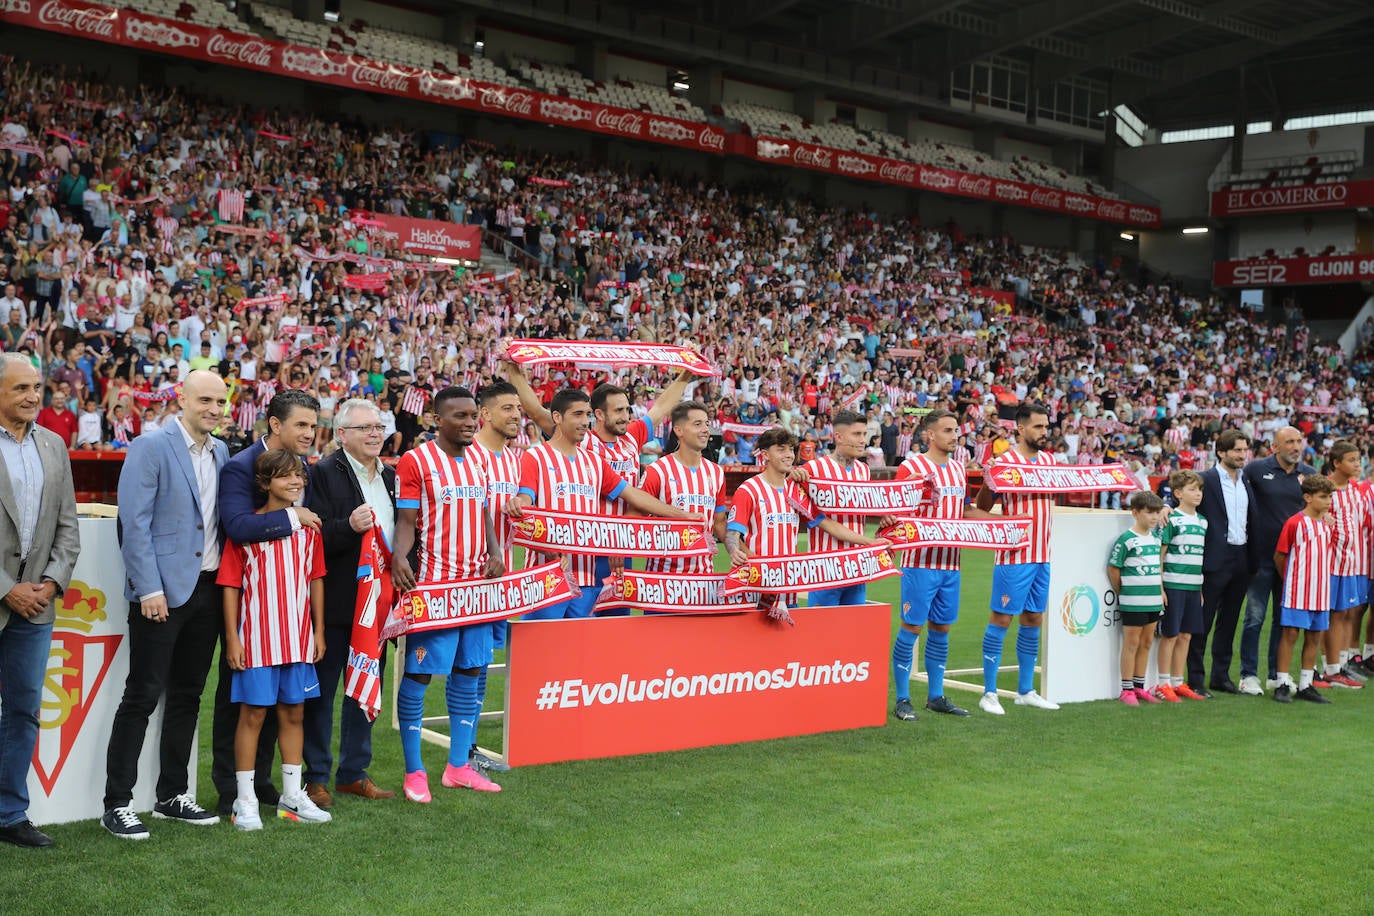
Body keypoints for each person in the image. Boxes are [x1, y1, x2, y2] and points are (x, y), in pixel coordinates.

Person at [101, 370, 230, 840]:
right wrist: (148, 588)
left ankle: (172, 794)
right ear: (182, 398)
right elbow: (132, 524)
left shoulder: (221, 451)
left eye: (221, 401)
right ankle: (116, 802)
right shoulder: (150, 446)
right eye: (206, 400)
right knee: (142, 695)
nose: (215, 409)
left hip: (209, 591)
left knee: (187, 696)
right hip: (160, 595)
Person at [210, 389, 322, 816]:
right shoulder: (242, 467)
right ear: (275, 425)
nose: (310, 433)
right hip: (250, 609)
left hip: (290, 617)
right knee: (240, 704)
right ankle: (232, 791)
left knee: (286, 706)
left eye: (313, 426)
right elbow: (238, 527)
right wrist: (294, 517)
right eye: (301, 425)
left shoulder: (301, 468)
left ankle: (267, 785)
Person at [391, 387, 505, 802]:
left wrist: (495, 553)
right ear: (438, 419)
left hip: (476, 589)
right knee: (419, 675)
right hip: (434, 589)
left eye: (473, 415)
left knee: (470, 673)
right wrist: (399, 557)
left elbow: (485, 516)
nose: (470, 422)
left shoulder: (481, 460)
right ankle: (414, 771)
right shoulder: (416, 460)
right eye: (459, 416)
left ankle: (457, 767)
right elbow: (406, 519)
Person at [509, 365, 694, 615]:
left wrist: (686, 375)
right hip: (588, 547)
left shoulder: (630, 437)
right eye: (618, 411)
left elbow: (661, 407)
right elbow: (537, 411)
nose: (626, 417)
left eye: (628, 410)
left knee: (609, 626)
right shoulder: (582, 442)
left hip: (621, 544)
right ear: (600, 414)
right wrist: (515, 372)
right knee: (559, 629)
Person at [301, 398, 399, 809]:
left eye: (378, 427)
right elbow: (309, 535)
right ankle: (316, 777)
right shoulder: (321, 473)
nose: (375, 434)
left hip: (378, 608)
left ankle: (354, 773)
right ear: (342, 434)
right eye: (365, 428)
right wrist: (346, 527)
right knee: (322, 695)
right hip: (337, 604)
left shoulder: (391, 477)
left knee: (364, 692)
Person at [0, 354, 80, 849]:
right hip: (9, 594)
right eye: (21, 389)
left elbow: (67, 527)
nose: (33, 396)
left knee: (25, 711)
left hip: (37, 606)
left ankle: (10, 814)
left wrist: (49, 583)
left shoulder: (53, 445)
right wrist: (5, 587)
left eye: (37, 387)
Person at [725, 427, 888, 619]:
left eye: (791, 449)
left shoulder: (796, 492)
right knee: (754, 645)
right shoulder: (749, 490)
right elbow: (732, 535)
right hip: (757, 585)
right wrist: (740, 553)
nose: (788, 455)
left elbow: (828, 525)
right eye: (781, 449)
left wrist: (869, 542)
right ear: (765, 455)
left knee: (790, 645)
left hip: (789, 585)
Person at [891, 409, 984, 720]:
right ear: (929, 435)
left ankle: (935, 696)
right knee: (913, 626)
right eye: (947, 430)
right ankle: (902, 699)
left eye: (956, 430)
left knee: (942, 628)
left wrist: (1006, 523)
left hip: (951, 564)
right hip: (919, 563)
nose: (954, 435)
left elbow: (967, 511)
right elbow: (896, 510)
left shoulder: (959, 469)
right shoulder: (912, 467)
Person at [973, 403, 1060, 714]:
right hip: (1014, 554)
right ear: (1021, 429)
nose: (1043, 432)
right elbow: (982, 506)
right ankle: (989, 693)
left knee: (1034, 618)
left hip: (1043, 555)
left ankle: (1025, 690)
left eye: (1045, 427)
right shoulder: (1005, 461)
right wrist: (989, 480)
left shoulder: (1051, 461)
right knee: (1002, 618)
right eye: (1038, 427)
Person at [465, 380, 527, 775]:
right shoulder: (471, 455)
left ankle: (468, 747)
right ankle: (464, 750)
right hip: (470, 578)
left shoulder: (513, 459)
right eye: (508, 408)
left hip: (502, 581)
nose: (516, 415)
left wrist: (522, 503)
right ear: (485, 414)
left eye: (518, 408)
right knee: (467, 665)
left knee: (483, 662)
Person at [1241, 426, 1313, 696]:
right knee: (1254, 617)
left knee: (1284, 620)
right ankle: (1248, 675)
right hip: (1261, 557)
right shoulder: (1256, 470)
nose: (1296, 446)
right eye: (1289, 442)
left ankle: (1276, 675)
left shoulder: (1308, 474)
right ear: (1275, 446)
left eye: (1298, 441)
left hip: (1294, 561)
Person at [1189, 430, 1251, 697]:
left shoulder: (1247, 480)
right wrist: (1167, 508)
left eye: (1244, 450)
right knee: (1203, 620)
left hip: (1242, 556)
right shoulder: (1205, 479)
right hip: (1214, 557)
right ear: (1221, 452)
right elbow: (1181, 501)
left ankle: (1221, 676)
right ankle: (1195, 679)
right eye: (1237, 450)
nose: (1242, 455)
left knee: (1229, 621)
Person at [639, 400, 729, 576]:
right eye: (697, 424)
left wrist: (736, 550)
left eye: (707, 424)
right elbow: (635, 516)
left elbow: (719, 522)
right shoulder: (659, 470)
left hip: (704, 578)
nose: (705, 430)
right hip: (663, 578)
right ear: (678, 430)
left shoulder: (716, 472)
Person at [1271, 474, 1337, 704]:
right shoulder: (1295, 523)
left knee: (1315, 636)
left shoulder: (1329, 524)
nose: (1328, 501)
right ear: (1308, 497)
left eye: (1330, 496)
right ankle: (1281, 683)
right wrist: (1290, 579)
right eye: (1323, 497)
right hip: (1298, 590)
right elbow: (1280, 555)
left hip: (1321, 591)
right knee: (1290, 634)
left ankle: (1306, 684)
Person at [798, 409, 872, 608]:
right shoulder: (812, 469)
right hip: (825, 566)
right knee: (821, 632)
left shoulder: (863, 470)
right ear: (838, 437)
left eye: (864, 434)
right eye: (856, 434)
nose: (863, 440)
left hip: (857, 565)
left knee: (853, 631)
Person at [1108, 492, 1166, 706]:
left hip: (1153, 600)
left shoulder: (1156, 538)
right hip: (1133, 601)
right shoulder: (1126, 540)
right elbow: (1113, 568)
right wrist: (1123, 590)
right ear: (1135, 513)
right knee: (1131, 643)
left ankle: (1140, 687)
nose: (1154, 517)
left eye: (1157, 513)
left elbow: (1158, 568)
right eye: (1149, 512)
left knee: (1147, 642)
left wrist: (1159, 591)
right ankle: (1126, 690)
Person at [1156, 470, 1208, 702]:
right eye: (1192, 489)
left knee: (1186, 635)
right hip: (1174, 585)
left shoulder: (1203, 522)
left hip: (1193, 587)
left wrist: (1200, 589)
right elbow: (1160, 554)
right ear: (1178, 493)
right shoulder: (1171, 519)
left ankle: (1178, 682)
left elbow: (1200, 558)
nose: (1197, 494)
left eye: (1199, 489)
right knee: (1170, 634)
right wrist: (1160, 586)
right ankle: (1162, 682)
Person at [1320, 440, 1369, 688]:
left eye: (1358, 460)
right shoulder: (1325, 489)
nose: (1357, 464)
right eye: (1351, 460)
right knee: (1327, 617)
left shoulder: (1356, 491)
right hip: (1329, 563)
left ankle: (1336, 667)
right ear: (1336, 463)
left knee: (1342, 614)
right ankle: (1326, 668)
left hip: (1349, 563)